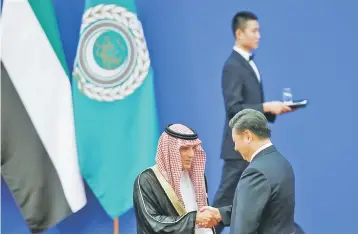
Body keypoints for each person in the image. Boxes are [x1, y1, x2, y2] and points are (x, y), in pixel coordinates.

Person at [213, 11, 294, 233]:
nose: (259, 35)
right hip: (238, 147)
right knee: (221, 206)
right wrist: (266, 107)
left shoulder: (247, 64)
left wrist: (270, 110)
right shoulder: (233, 65)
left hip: (253, 145)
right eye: (254, 31)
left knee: (258, 203)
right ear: (239, 33)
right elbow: (234, 109)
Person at [133, 124, 231, 234]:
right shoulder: (147, 179)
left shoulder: (197, 177)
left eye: (194, 148)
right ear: (170, 150)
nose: (192, 154)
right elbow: (152, 223)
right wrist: (194, 219)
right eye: (185, 149)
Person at [229, 109, 295, 233]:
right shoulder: (282, 162)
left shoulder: (255, 172)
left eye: (235, 142)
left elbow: (243, 229)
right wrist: (222, 214)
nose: (235, 148)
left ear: (248, 136)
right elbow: (267, 210)